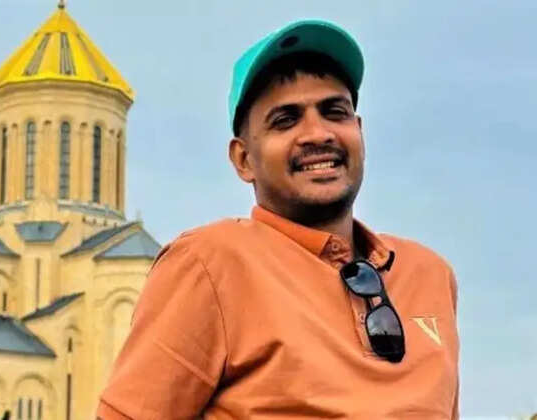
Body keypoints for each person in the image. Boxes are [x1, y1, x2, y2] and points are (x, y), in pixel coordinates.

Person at [97, 19, 459, 420]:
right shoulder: (210, 264)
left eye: (334, 112)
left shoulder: (430, 276)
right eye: (285, 120)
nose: (317, 134)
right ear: (243, 159)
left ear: (359, 131)